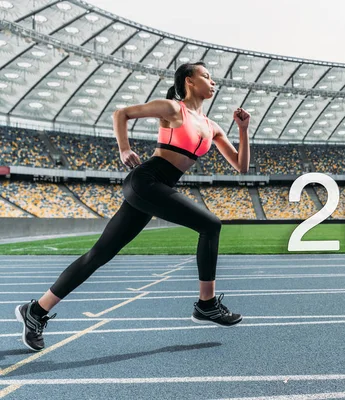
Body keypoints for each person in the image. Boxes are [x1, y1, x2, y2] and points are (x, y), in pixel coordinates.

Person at [15, 61, 250, 352]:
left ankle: (36, 311)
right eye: (207, 76)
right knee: (211, 225)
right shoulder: (173, 109)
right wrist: (124, 148)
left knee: (99, 255)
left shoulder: (212, 127)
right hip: (146, 181)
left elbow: (241, 165)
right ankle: (207, 304)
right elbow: (121, 113)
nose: (213, 82)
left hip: (156, 189)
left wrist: (243, 129)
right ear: (189, 80)